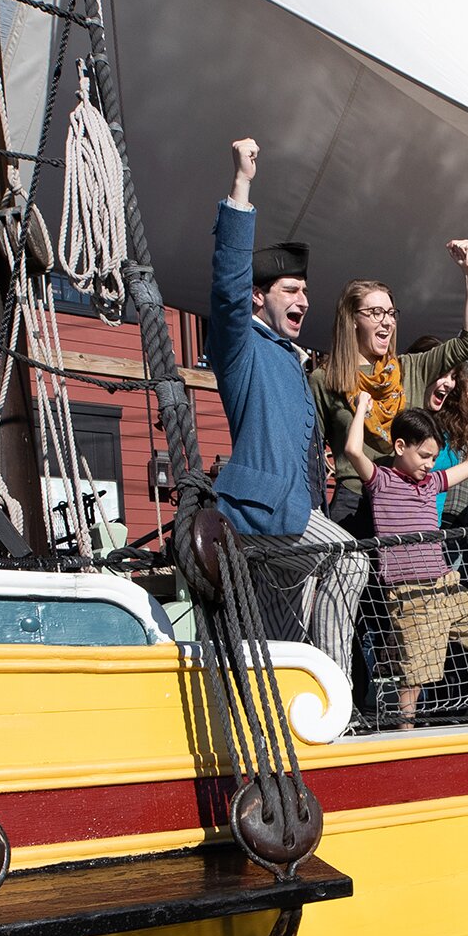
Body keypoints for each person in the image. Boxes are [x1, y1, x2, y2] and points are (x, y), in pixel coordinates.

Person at [205, 135, 369, 677]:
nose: (303, 302)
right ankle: (336, 693)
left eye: (304, 292)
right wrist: (242, 187)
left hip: (292, 515)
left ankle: (288, 719)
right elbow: (227, 287)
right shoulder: (242, 346)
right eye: (290, 291)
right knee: (348, 559)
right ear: (259, 296)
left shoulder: (291, 357)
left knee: (281, 637)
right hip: (262, 510)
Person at [341, 396, 468, 726]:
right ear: (400, 446)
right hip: (410, 595)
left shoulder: (431, 483)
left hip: (446, 586)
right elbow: (352, 451)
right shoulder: (381, 481)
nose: (430, 464)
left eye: (434, 457)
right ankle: (405, 727)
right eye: (423, 456)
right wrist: (362, 408)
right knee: (414, 674)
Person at [313, 238, 468, 531]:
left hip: (404, 502)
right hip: (352, 504)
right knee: (352, 574)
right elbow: (311, 453)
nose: (386, 322)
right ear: (352, 319)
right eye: (375, 313)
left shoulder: (411, 367)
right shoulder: (325, 379)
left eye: (390, 313)